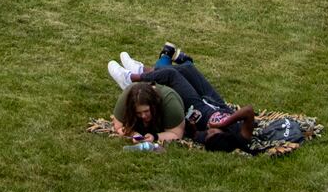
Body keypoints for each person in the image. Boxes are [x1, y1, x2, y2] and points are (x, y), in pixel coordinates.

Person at [109, 49, 257, 151]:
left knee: (172, 76)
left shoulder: (206, 139)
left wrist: (192, 128)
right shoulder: (241, 135)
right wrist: (224, 122)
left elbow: (188, 134)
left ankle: (131, 78)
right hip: (216, 102)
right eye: (213, 132)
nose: (209, 131)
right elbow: (248, 111)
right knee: (187, 68)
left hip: (197, 108)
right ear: (224, 135)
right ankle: (141, 70)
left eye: (208, 134)